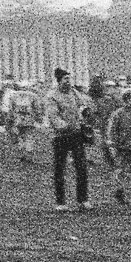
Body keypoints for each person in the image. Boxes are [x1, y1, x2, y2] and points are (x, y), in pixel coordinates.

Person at [47, 68, 94, 212]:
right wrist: (65, 125)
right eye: (65, 79)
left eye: (69, 78)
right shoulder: (52, 96)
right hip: (60, 137)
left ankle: (83, 200)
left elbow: (83, 105)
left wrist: (86, 113)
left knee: (81, 168)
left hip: (76, 135)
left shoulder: (74, 92)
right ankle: (61, 202)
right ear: (59, 80)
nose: (68, 81)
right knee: (59, 169)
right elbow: (53, 117)